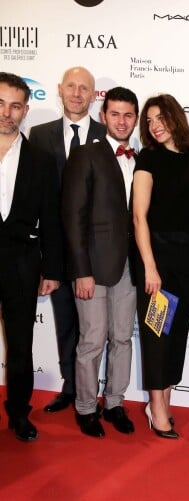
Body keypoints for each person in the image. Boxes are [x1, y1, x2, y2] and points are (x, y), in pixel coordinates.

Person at [62, 87, 139, 438]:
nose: (122, 121)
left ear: (135, 118)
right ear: (103, 116)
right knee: (93, 339)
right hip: (93, 267)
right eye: (115, 114)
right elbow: (73, 216)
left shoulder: (142, 158)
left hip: (130, 267)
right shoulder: (86, 155)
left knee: (122, 338)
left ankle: (116, 401)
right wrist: (81, 270)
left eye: (128, 115)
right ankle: (86, 407)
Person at [29, 66, 106, 414]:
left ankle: (93, 390)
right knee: (66, 321)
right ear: (59, 89)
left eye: (84, 88)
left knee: (96, 328)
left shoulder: (109, 135)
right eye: (71, 87)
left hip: (97, 251)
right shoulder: (39, 134)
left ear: (94, 95)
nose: (77, 94)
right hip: (56, 248)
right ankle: (71, 387)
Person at [133, 94, 189, 439]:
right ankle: (156, 406)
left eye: (160, 118)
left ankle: (165, 399)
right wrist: (149, 267)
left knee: (175, 338)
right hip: (157, 265)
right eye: (149, 120)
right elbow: (139, 217)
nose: (154, 125)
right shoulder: (148, 158)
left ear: (175, 118)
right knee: (157, 335)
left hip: (185, 266)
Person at [0, 72, 62, 441]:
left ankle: (19, 414)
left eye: (15, 105)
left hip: (23, 262)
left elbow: (52, 217)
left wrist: (52, 268)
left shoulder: (41, 159)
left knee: (21, 345)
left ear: (26, 110)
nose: (7, 112)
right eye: (1, 103)